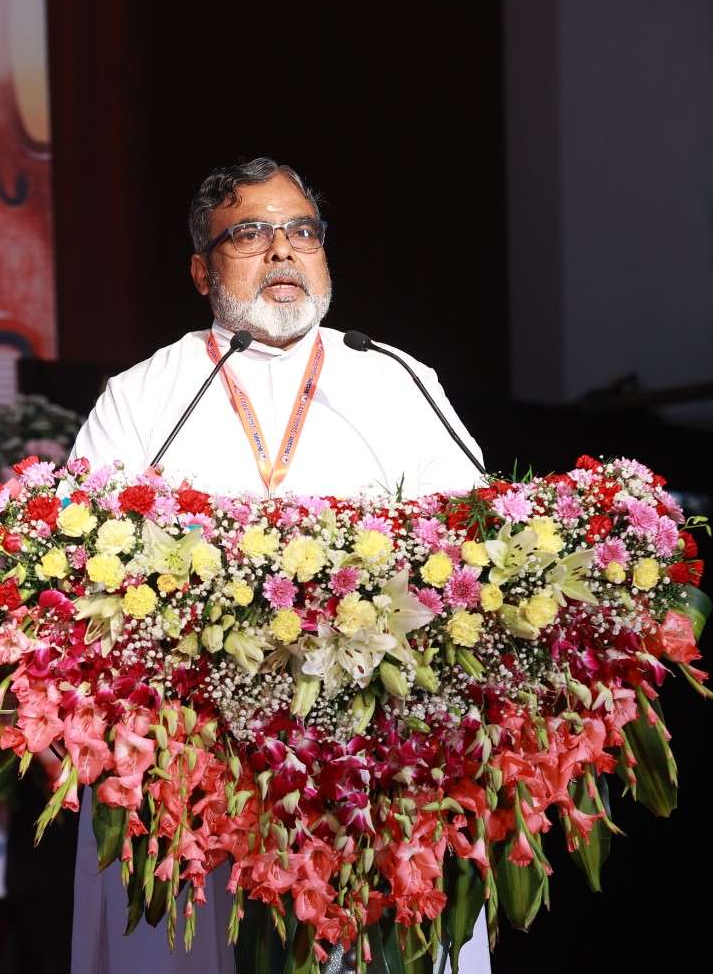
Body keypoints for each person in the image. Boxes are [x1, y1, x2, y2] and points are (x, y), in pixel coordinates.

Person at [67, 157, 490, 973]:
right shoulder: (146, 394)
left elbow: (479, 549)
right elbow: (80, 564)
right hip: (193, 762)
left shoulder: (397, 378)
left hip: (379, 760)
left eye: (302, 231)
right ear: (202, 271)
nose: (283, 250)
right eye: (250, 234)